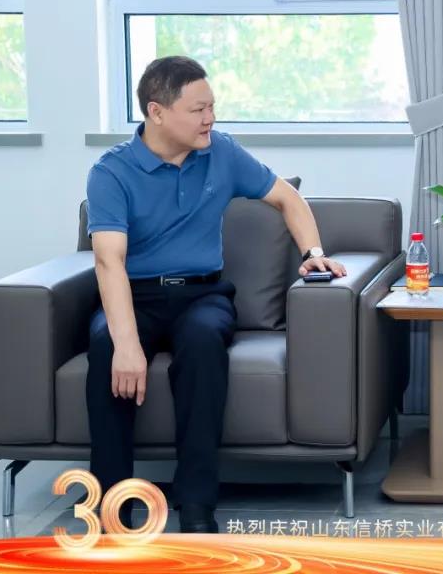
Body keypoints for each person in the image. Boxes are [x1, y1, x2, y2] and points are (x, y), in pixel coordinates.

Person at [85, 55, 347, 533]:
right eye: (198, 109)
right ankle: (112, 512)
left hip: (202, 296)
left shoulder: (221, 152)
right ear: (157, 111)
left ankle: (197, 506)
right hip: (135, 297)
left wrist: (313, 252)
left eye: (211, 107)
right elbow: (109, 262)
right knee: (106, 348)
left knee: (205, 342)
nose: (210, 118)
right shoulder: (112, 172)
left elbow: (286, 197)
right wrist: (126, 344)